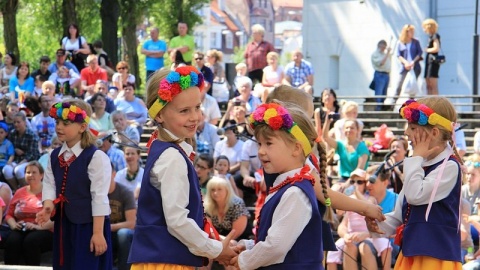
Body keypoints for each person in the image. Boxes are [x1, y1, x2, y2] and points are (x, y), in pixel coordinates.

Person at [128, 66, 237, 268]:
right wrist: (215, 250)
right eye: (184, 111)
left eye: (197, 107)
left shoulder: (165, 149)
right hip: (166, 262)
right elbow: (177, 220)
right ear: (159, 114)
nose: (194, 116)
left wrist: (215, 243)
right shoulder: (172, 157)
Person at [366, 97, 463, 269]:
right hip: (412, 255)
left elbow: (415, 195)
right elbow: (402, 213)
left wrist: (415, 159)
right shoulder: (419, 166)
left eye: (412, 128)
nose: (406, 133)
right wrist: (379, 222)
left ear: (434, 133)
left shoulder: (449, 166)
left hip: (435, 258)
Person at [229, 103, 327, 269]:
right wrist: (249, 246)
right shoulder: (285, 186)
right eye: (259, 144)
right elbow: (277, 238)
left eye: (268, 143)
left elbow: (276, 247)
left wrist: (244, 260)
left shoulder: (296, 192)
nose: (260, 151)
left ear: (296, 148)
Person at [36, 99, 113, 269]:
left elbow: (99, 197)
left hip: (88, 225)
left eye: (66, 123)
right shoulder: (54, 155)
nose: (59, 127)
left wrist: (98, 233)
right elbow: (49, 184)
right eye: (57, 122)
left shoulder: (95, 157)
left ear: (82, 127)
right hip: (64, 224)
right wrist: (48, 206)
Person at [4, 161, 54, 265]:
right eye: (28, 172)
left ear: (42, 175)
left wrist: (37, 227)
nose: (30, 175)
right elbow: (9, 214)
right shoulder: (19, 192)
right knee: (12, 241)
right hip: (21, 228)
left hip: (44, 228)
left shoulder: (50, 193)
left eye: (34, 172)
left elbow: (55, 218)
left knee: (31, 241)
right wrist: (13, 224)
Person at [323, 115, 370, 183]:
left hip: (358, 180)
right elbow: (325, 138)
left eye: (352, 128)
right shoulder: (340, 145)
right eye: (347, 128)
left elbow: (360, 169)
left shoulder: (362, 147)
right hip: (343, 178)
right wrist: (327, 122)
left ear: (357, 130)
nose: (349, 130)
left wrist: (348, 183)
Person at [204, 176, 251, 241]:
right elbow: (210, 230)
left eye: (219, 189)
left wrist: (221, 243)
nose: (215, 193)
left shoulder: (237, 204)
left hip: (239, 240)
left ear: (227, 190)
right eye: (213, 190)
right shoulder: (207, 206)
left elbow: (235, 233)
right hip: (217, 240)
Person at [108, 163, 136, 270]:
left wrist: (109, 227)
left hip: (122, 233)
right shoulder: (95, 193)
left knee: (123, 233)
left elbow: (131, 223)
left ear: (114, 174)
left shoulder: (125, 192)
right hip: (103, 232)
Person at [3, 112, 41, 190]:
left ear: (24, 122)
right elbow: (10, 147)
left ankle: (27, 190)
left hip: (29, 160)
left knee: (18, 170)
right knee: (6, 170)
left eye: (18, 122)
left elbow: (32, 154)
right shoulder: (12, 133)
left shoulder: (31, 135)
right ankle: (17, 190)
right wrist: (15, 149)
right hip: (16, 159)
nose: (16, 124)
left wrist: (21, 163)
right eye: (14, 122)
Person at [394, 24, 422, 101]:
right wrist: (405, 62)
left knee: (412, 84)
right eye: (411, 32)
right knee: (399, 83)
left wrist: (413, 61)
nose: (413, 33)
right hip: (404, 67)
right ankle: (393, 103)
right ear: (406, 32)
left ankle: (411, 103)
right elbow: (398, 55)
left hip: (415, 67)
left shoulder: (416, 42)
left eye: (413, 31)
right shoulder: (401, 42)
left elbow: (419, 53)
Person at [371, 40, 392, 111]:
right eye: (382, 46)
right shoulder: (375, 54)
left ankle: (382, 105)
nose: (384, 48)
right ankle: (378, 107)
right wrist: (387, 54)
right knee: (379, 92)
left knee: (384, 92)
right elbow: (381, 63)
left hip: (386, 74)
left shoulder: (385, 54)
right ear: (379, 46)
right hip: (379, 74)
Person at [422, 18, 441, 95]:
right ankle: (429, 103)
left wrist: (426, 50)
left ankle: (436, 104)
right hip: (429, 61)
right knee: (428, 84)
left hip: (433, 62)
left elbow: (436, 48)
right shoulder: (430, 37)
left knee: (433, 85)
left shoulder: (435, 36)